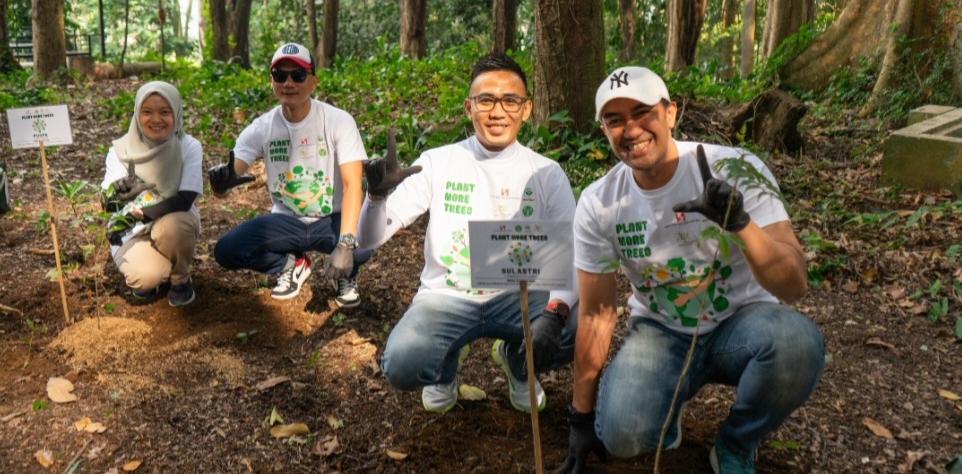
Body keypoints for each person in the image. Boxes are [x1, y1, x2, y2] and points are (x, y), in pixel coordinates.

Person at [558, 66, 825, 474]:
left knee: (797, 343)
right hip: (662, 330)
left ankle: (736, 443)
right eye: (615, 120)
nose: (630, 129)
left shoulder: (735, 167)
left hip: (743, 322)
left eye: (642, 112)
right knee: (620, 435)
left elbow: (793, 285)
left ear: (670, 113)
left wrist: (740, 223)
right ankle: (667, 407)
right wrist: (580, 417)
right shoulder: (599, 203)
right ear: (604, 131)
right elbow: (596, 313)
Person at [357, 53, 578, 414]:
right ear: (468, 107)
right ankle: (444, 368)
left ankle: (520, 364)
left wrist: (554, 313)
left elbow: (571, 254)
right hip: (446, 297)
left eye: (510, 101)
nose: (497, 112)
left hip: (518, 295)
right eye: (485, 100)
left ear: (526, 109)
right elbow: (369, 239)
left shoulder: (546, 173)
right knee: (402, 363)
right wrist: (377, 197)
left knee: (577, 326)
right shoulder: (437, 161)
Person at [208, 42, 371, 307]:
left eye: (298, 75)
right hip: (287, 222)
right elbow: (230, 177)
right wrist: (221, 183)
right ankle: (289, 264)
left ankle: (346, 274)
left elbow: (353, 187)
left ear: (314, 81)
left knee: (366, 240)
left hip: (332, 220)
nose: (288, 83)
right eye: (280, 75)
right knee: (227, 251)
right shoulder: (262, 128)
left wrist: (346, 244)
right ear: (271, 81)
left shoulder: (338, 121)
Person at [101, 81, 203, 307]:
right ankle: (156, 272)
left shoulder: (188, 146)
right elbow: (108, 202)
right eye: (147, 112)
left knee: (174, 227)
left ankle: (180, 280)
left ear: (176, 113)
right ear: (137, 114)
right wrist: (118, 194)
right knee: (146, 278)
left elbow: (186, 198)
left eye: (164, 112)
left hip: (171, 220)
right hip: (131, 231)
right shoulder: (120, 151)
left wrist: (144, 212)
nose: (156, 119)